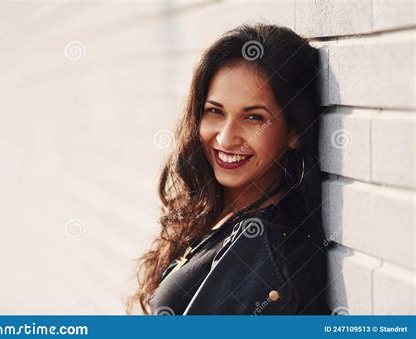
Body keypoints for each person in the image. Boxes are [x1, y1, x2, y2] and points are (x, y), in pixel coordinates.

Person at [126, 23, 331, 315]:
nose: (224, 138)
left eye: (254, 118)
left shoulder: (264, 257)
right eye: (215, 111)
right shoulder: (227, 215)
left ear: (295, 130)